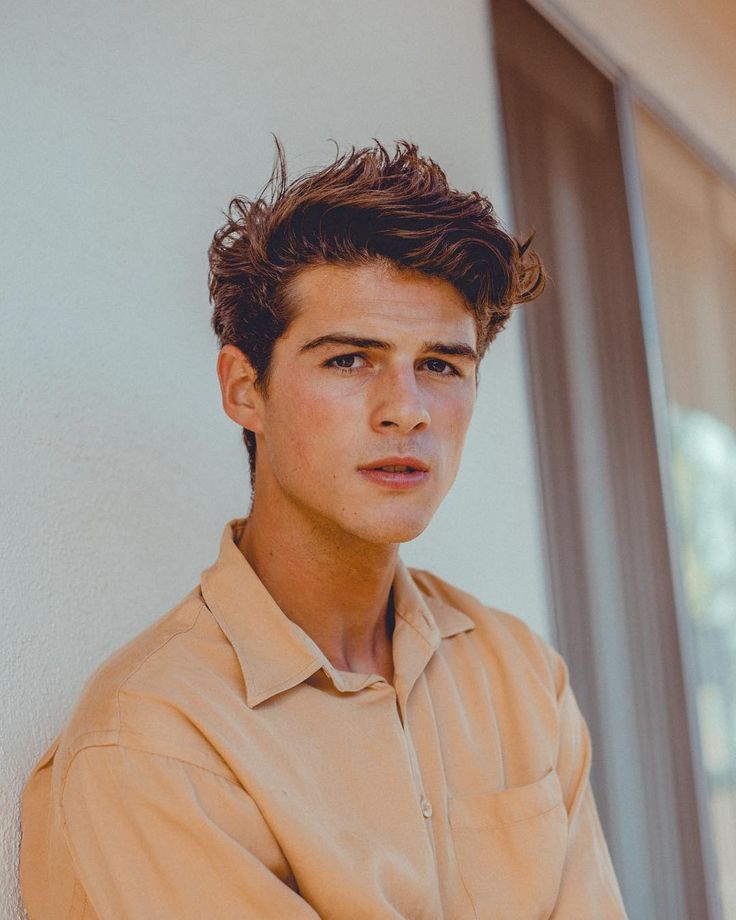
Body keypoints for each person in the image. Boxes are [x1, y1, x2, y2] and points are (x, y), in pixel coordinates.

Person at [19, 140, 628, 919]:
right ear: (245, 390)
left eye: (441, 366)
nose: (405, 409)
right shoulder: (154, 737)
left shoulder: (520, 676)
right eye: (349, 360)